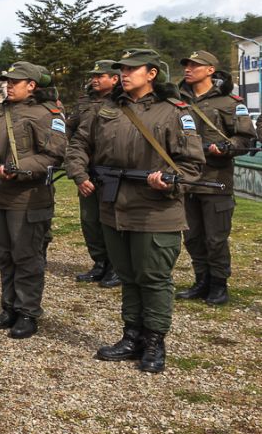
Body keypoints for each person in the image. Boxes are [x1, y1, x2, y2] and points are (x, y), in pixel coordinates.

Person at [66, 49, 204, 373]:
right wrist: (80, 172)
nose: (124, 74)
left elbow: (193, 164)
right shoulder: (106, 109)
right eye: (121, 69)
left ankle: (155, 342)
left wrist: (170, 182)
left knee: (153, 278)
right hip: (114, 207)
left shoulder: (173, 112)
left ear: (152, 73)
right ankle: (131, 336)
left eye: (132, 69)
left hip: (156, 210)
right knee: (128, 276)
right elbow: (79, 144)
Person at [0, 61, 66, 340]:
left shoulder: (47, 113)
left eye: (14, 81)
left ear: (31, 85)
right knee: (4, 255)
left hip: (27, 197)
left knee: (27, 256)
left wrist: (20, 169)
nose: (8, 85)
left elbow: (54, 155)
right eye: (6, 81)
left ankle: (28, 313)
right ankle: (9, 308)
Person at [176, 50, 256, 305]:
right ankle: (201, 281)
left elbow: (246, 139)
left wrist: (227, 147)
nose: (188, 68)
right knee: (192, 237)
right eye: (186, 64)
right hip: (187, 180)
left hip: (217, 179)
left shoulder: (230, 103)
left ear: (210, 69)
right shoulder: (177, 101)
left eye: (195, 65)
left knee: (215, 238)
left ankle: (219, 285)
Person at [66, 60, 121, 287]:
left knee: (111, 220)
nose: (95, 79)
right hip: (87, 168)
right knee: (90, 220)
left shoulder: (122, 102)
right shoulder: (84, 101)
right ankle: (100, 263)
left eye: (101, 75)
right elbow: (71, 128)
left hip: (113, 170)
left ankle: (116, 267)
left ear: (114, 79)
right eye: (94, 76)